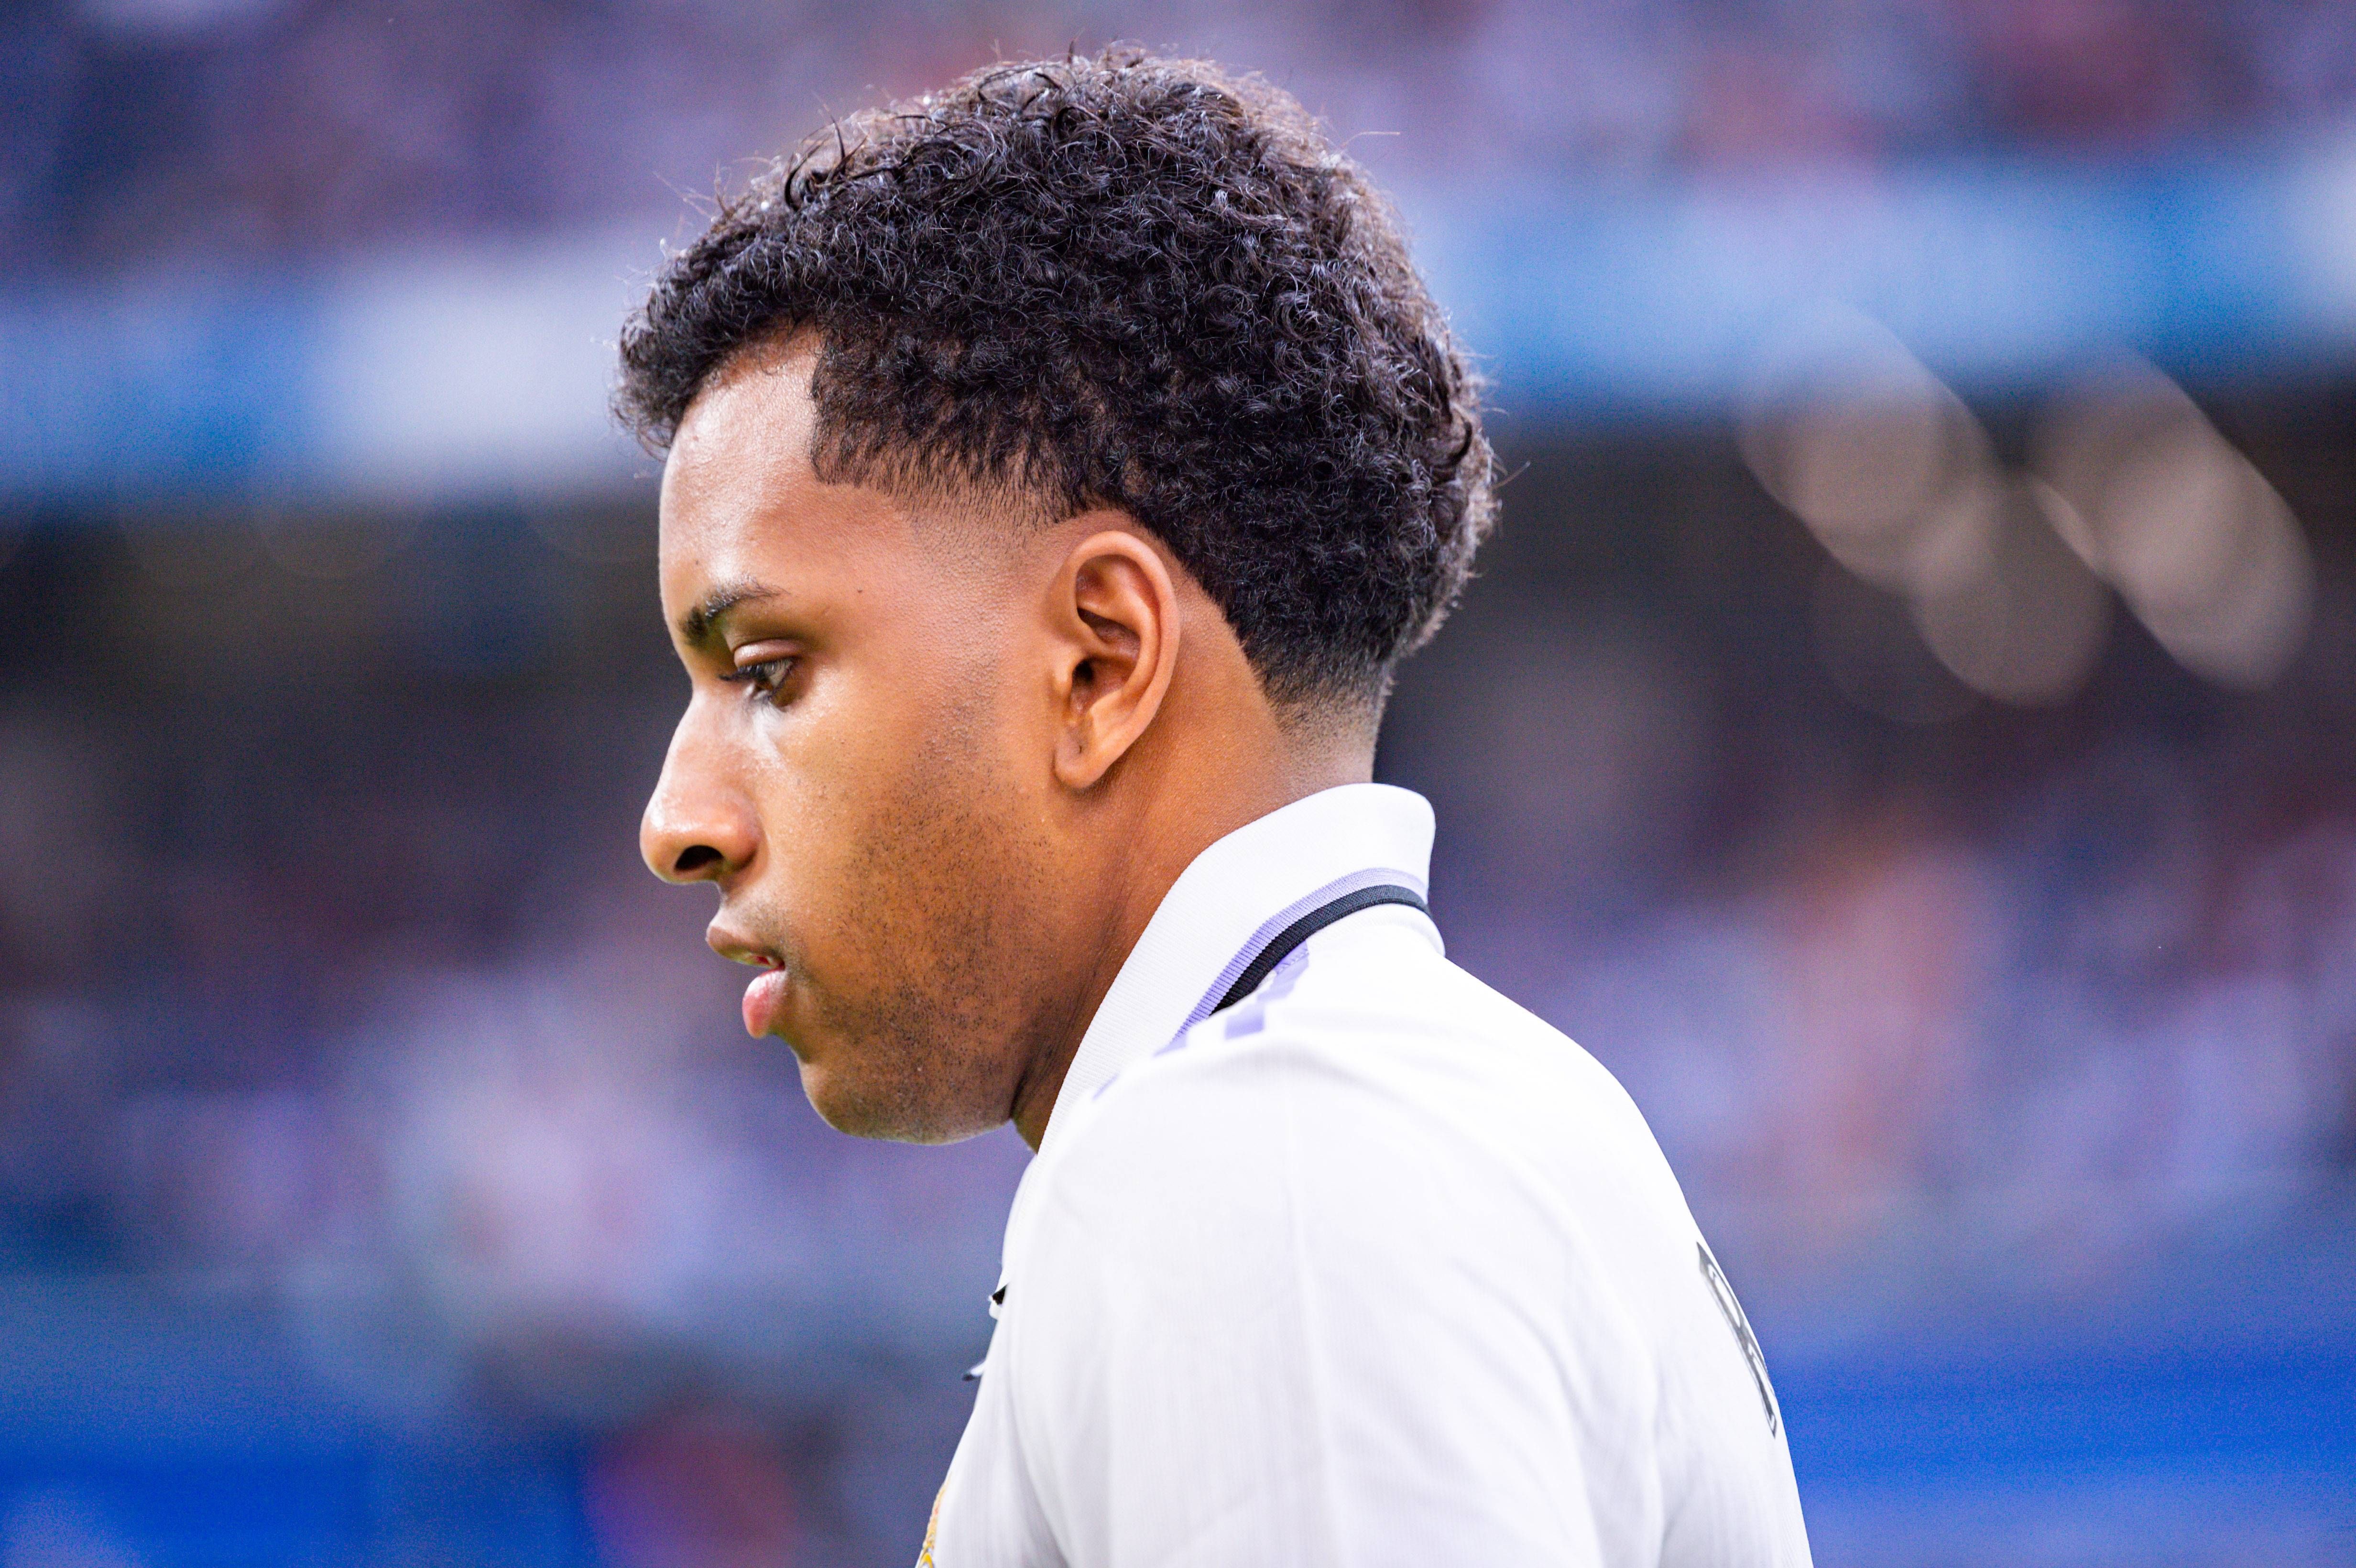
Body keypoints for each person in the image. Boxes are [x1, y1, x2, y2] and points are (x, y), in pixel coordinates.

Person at [621, 48, 1811, 1568]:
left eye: (771, 672)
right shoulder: (1419, 1105)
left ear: (1101, 663)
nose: (678, 818)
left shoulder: (1270, 1164)